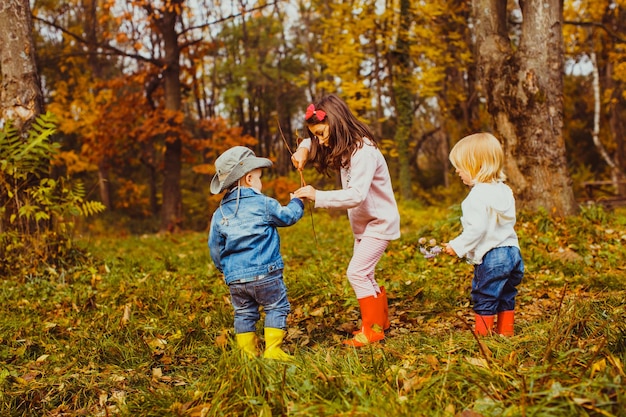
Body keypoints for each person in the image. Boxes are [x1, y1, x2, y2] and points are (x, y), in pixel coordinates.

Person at [291, 94, 401, 347]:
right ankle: (378, 324)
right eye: (316, 135)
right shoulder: (346, 147)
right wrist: (302, 150)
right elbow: (309, 141)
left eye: (321, 133)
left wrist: (317, 195)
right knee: (367, 273)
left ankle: (372, 332)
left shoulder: (364, 152)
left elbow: (356, 195)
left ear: (337, 122)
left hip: (379, 223)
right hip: (365, 224)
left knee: (357, 273)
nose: (320, 140)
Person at [208, 146, 305, 360]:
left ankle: (247, 355)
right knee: (276, 306)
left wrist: (225, 269)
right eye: (259, 179)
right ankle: (273, 350)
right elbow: (287, 217)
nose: (261, 184)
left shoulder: (219, 213)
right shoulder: (263, 203)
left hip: (236, 279)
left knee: (243, 313)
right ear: (250, 178)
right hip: (266, 274)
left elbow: (215, 247)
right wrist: (297, 202)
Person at [443, 132, 524, 337]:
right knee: (506, 293)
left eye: (460, 166)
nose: (457, 170)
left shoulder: (477, 195)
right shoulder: (504, 190)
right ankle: (506, 333)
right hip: (513, 252)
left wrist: (457, 246)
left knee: (485, 295)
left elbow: (476, 229)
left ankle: (483, 337)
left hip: (492, 255)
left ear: (475, 165)